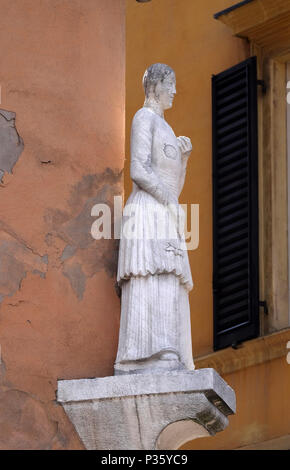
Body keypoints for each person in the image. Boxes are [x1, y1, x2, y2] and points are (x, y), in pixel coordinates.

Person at [114, 63, 195, 375]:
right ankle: (146, 352)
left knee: (169, 277)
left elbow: (173, 186)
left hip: (163, 207)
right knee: (153, 274)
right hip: (148, 208)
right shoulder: (143, 118)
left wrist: (184, 161)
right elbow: (138, 169)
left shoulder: (167, 129)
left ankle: (170, 349)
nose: (174, 91)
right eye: (171, 84)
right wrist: (168, 202)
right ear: (156, 86)